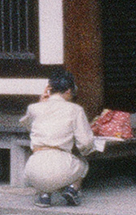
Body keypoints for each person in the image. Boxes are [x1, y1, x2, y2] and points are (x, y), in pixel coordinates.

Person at [20, 70, 102, 206]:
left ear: (49, 89)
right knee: (82, 164)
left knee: (45, 169)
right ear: (69, 91)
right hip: (59, 162)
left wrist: (41, 102)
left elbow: (28, 125)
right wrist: (87, 150)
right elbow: (85, 142)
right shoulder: (75, 109)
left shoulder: (34, 108)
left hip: (32, 169)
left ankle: (44, 196)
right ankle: (72, 189)